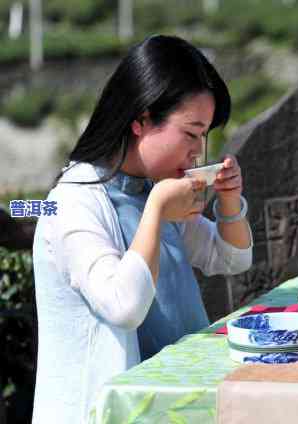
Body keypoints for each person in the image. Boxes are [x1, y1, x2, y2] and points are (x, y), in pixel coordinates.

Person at [31, 35, 253, 423]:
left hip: (180, 405)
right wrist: (156, 209)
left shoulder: (150, 186)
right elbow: (124, 306)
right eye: (190, 133)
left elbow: (231, 258)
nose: (197, 152)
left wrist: (229, 199)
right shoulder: (73, 202)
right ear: (142, 120)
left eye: (204, 136)